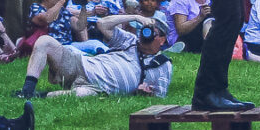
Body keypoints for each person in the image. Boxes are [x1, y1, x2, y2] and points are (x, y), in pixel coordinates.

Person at [22, 22, 175, 99]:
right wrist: (134, 18)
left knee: (78, 95)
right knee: (45, 41)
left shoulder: (162, 63)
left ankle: (38, 96)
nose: (146, 35)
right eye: (145, 30)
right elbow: (102, 24)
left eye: (152, 32)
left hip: (99, 88)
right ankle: (27, 90)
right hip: (81, 65)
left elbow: (160, 96)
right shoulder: (130, 40)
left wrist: (145, 93)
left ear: (162, 40)